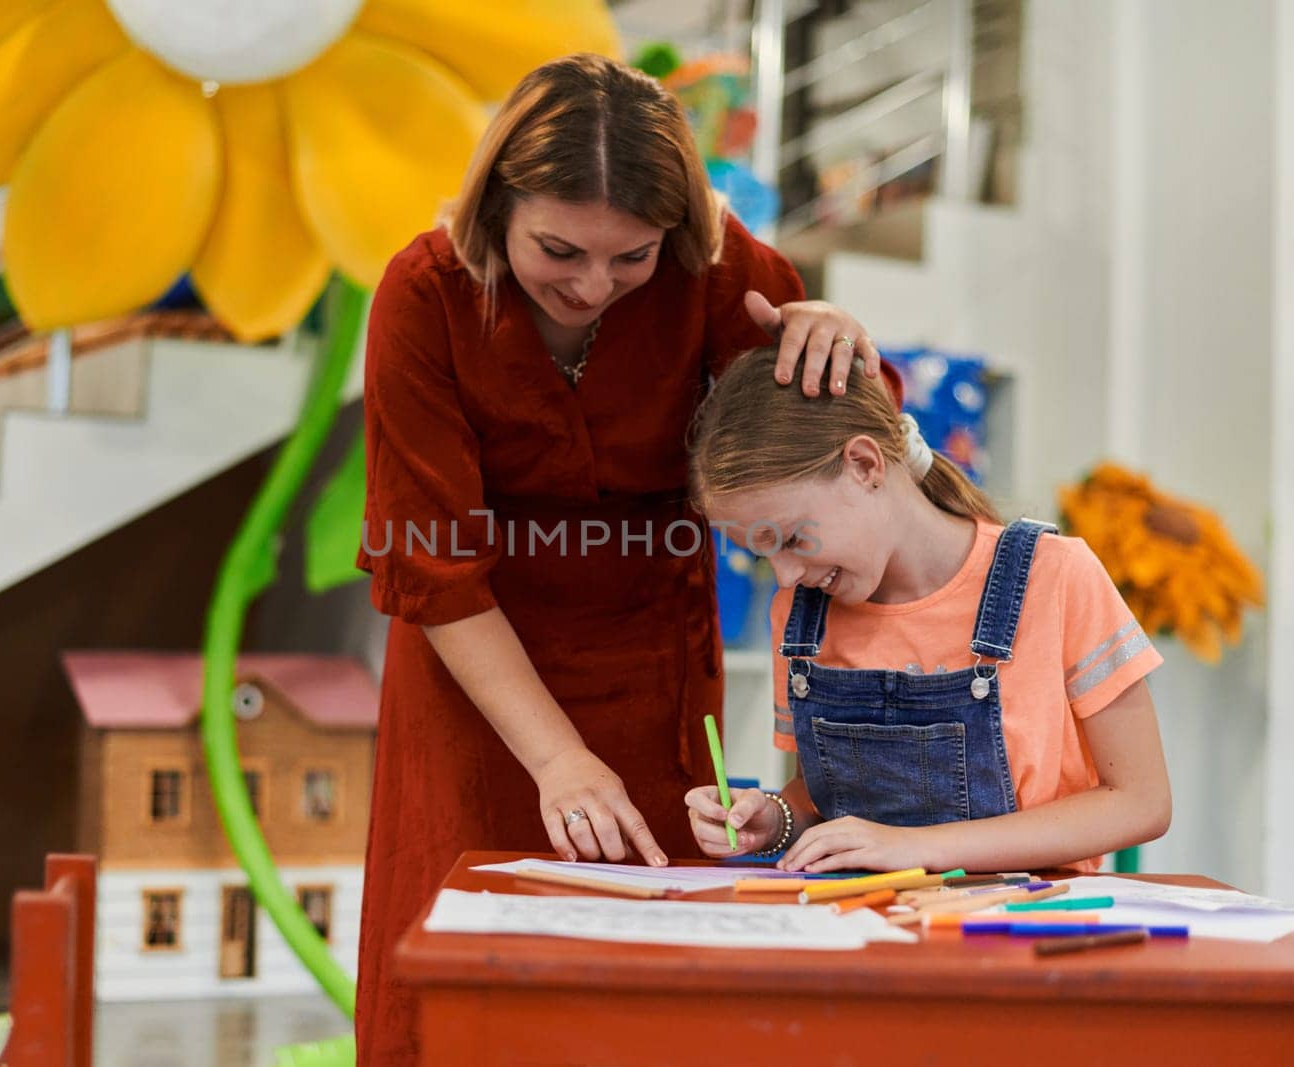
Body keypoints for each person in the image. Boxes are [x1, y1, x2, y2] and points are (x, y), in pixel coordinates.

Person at [354, 54, 898, 1064]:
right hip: (475, 670)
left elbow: (845, 454)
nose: (591, 285)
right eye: (558, 249)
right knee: (456, 956)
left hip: (652, 664)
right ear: (495, 208)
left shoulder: (728, 275)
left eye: (631, 259)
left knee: (650, 964)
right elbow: (429, 562)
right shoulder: (421, 295)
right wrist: (555, 758)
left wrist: (839, 340)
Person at [684, 347, 1171, 873]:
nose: (784, 575)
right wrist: (777, 817)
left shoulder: (1055, 576)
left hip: (1021, 930)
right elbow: (821, 798)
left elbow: (1141, 802)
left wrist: (921, 847)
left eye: (795, 538)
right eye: (763, 555)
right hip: (857, 928)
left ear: (865, 465)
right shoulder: (799, 614)